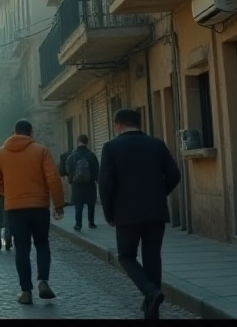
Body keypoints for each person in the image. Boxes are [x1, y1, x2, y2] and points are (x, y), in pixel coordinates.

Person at [99, 108, 181, 320]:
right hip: (155, 211)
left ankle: (151, 293)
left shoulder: (111, 147)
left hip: (127, 213)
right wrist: (159, 194)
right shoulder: (156, 144)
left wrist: (109, 213)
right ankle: (153, 311)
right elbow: (174, 174)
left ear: (118, 125)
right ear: (139, 123)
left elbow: (106, 184)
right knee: (152, 256)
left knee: (126, 256)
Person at [0, 119, 66, 305]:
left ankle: (26, 292)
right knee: (42, 244)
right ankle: (43, 281)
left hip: (15, 208)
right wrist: (59, 205)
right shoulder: (41, 151)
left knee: (21, 248)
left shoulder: (0, 154)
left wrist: (10, 192)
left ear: (14, 132)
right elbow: (53, 179)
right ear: (31, 132)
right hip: (39, 206)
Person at [65, 135, 100, 231]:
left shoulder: (72, 156)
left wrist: (72, 177)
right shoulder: (91, 155)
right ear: (87, 143)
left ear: (77, 142)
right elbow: (96, 169)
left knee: (78, 204)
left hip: (77, 184)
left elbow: (68, 168)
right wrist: (95, 179)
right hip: (89, 183)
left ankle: (78, 223)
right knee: (91, 203)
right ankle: (91, 222)